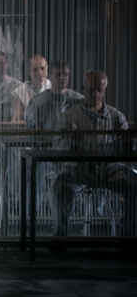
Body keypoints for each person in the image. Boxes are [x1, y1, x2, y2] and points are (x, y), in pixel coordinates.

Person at [52, 70, 137, 237]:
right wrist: (72, 143)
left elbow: (128, 152)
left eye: (100, 90)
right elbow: (57, 147)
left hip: (110, 170)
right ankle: (60, 237)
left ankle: (128, 238)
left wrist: (128, 141)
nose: (96, 95)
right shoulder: (69, 116)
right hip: (79, 169)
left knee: (135, 184)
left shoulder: (116, 117)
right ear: (83, 88)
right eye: (92, 90)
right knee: (60, 185)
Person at [25, 59, 83, 130]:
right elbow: (30, 127)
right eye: (58, 75)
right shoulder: (37, 102)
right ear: (49, 76)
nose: (62, 78)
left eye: (65, 74)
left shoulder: (78, 100)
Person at [12, 54, 51, 122]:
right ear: (29, 71)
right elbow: (15, 120)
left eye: (42, 68)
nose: (39, 73)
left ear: (47, 68)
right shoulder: (21, 91)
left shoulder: (54, 86)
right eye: (35, 70)